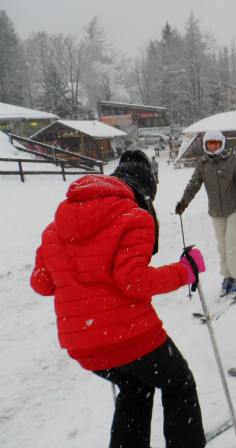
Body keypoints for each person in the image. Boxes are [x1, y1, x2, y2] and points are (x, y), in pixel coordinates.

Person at [30, 150, 207, 448]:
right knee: (179, 383)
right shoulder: (134, 217)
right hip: (131, 337)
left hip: (82, 345)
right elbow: (135, 282)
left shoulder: (55, 226)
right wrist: (185, 270)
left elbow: (41, 283)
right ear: (144, 192)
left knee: (136, 389)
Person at [175, 130, 236, 295]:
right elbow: (193, 184)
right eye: (210, 143)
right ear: (205, 145)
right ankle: (228, 275)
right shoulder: (202, 163)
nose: (213, 146)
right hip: (216, 211)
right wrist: (184, 202)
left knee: (231, 243)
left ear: (222, 143)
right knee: (222, 246)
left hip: (235, 208)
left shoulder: (231, 159)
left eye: (216, 143)